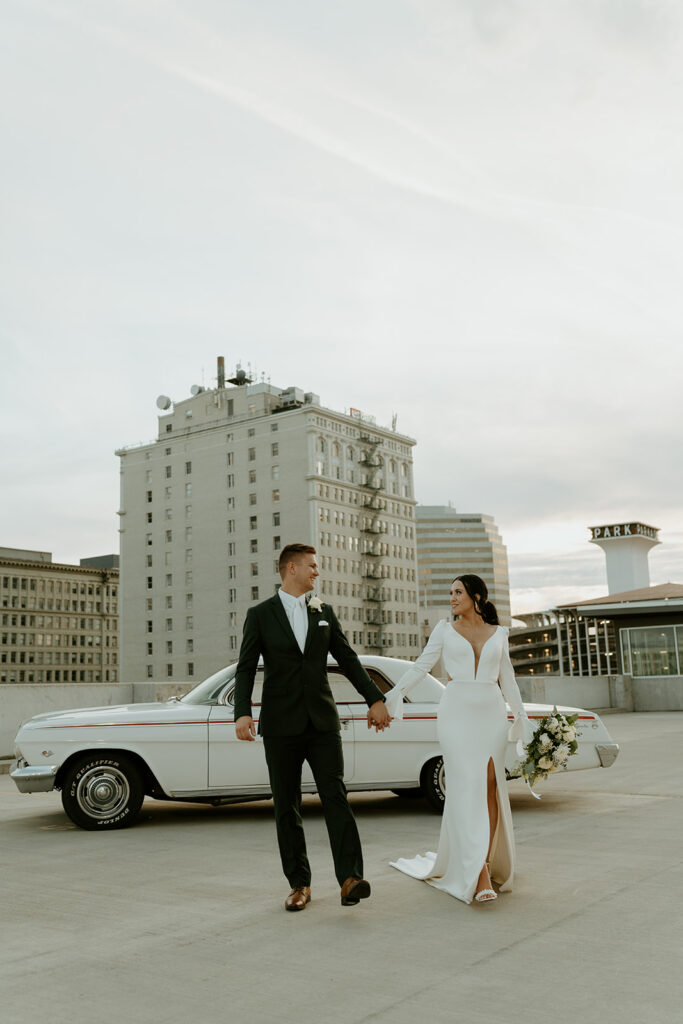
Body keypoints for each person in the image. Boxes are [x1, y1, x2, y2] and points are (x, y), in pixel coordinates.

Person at [234, 543, 391, 912]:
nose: (317, 572)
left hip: (322, 722)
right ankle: (299, 884)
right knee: (286, 808)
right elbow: (245, 667)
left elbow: (348, 660)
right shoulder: (260, 615)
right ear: (291, 568)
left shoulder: (324, 612)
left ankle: (350, 878)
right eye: (312, 566)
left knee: (335, 796)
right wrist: (242, 712)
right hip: (279, 726)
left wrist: (375, 698)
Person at [385, 573, 532, 904]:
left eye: (457, 592)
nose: (451, 598)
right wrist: (393, 695)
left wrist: (521, 716)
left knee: (491, 787)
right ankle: (476, 873)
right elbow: (421, 666)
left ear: (476, 597)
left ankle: (484, 862)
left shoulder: (500, 633)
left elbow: (507, 678)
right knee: (465, 787)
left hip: (491, 715)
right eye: (450, 592)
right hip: (455, 715)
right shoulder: (443, 630)